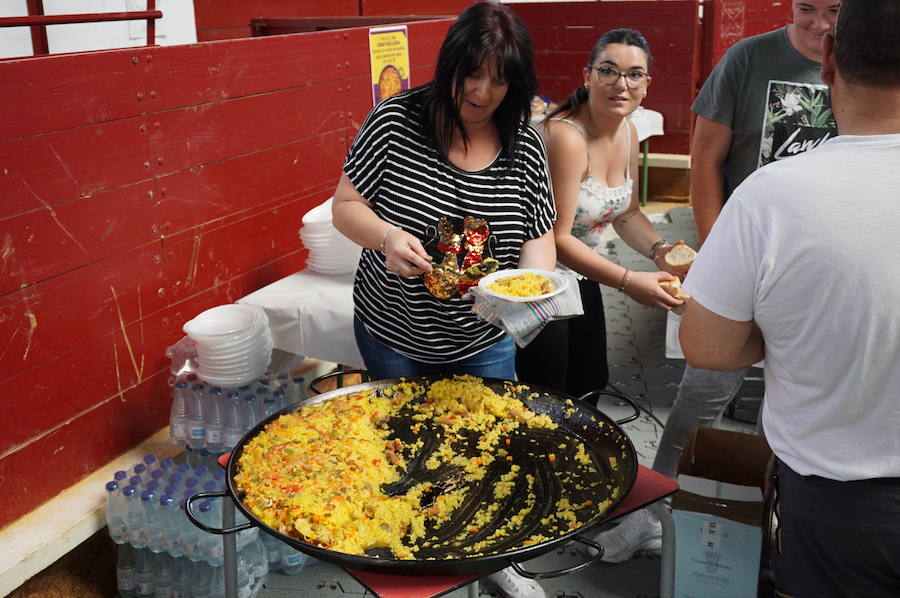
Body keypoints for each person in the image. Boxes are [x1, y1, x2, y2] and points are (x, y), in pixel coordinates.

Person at [592, 0, 841, 563]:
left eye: (836, 10)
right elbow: (705, 163)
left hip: (821, 274)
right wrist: (716, 255)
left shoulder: (864, 66)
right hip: (743, 265)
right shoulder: (748, 59)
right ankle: (646, 515)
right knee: (701, 394)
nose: (822, 25)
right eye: (807, 8)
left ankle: (771, 524)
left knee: (807, 403)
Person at [332, 2, 554, 596]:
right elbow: (345, 208)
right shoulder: (395, 121)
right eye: (472, 72)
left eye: (500, 78)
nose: (483, 91)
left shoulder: (524, 145)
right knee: (406, 447)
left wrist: (528, 293)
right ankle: (408, 556)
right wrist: (386, 237)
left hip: (483, 338)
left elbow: (540, 239)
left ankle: (492, 556)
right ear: (450, 62)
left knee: (485, 447)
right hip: (394, 328)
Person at [680, 1, 900, 594]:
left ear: (829, 59)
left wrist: (782, 327)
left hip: (838, 509)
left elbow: (704, 343)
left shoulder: (769, 197)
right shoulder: (745, 63)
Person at [515, 28, 683, 398]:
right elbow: (555, 239)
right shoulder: (566, 137)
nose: (620, 84)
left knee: (590, 382)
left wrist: (661, 252)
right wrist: (628, 280)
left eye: (634, 74)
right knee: (548, 394)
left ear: (647, 84)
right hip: (535, 275)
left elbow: (627, 214)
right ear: (587, 75)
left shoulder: (629, 132)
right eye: (608, 70)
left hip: (581, 270)